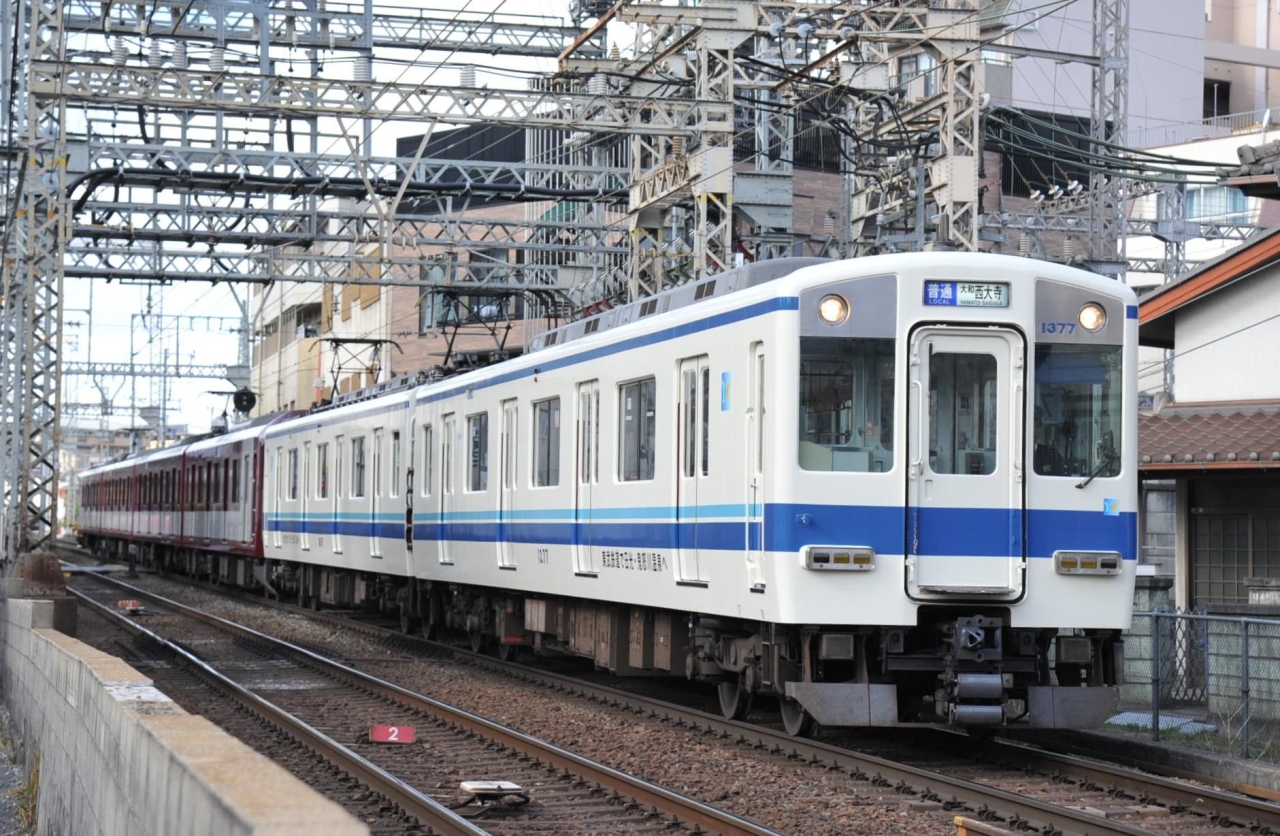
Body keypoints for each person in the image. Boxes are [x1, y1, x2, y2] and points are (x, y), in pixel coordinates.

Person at [1033, 409, 1065, 475]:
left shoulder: (1051, 453)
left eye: (1037, 426)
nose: (1034, 430)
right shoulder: (1017, 452)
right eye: (1031, 427)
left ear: (1041, 428)